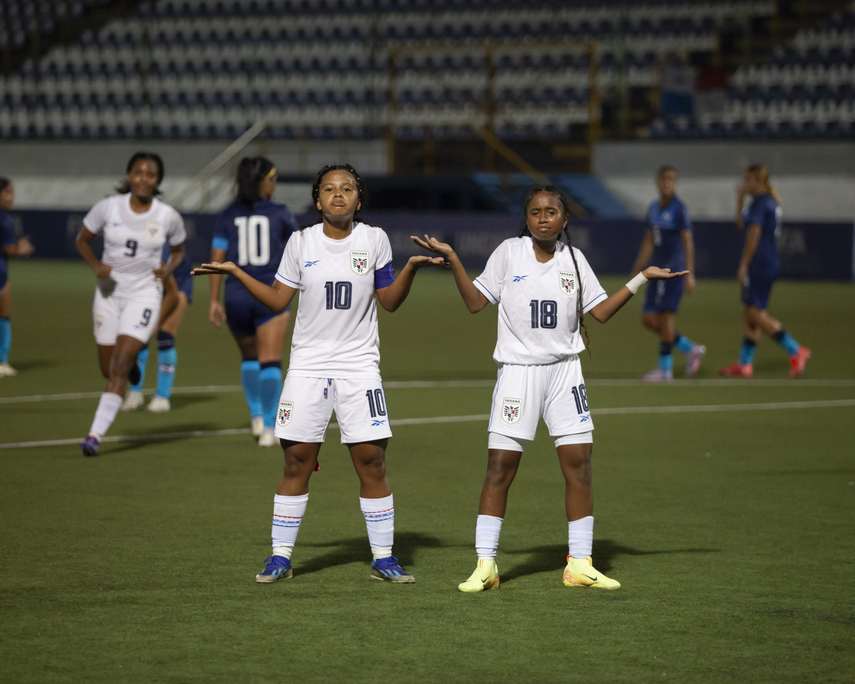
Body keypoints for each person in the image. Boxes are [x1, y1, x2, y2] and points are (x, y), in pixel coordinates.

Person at [412, 185, 686, 593]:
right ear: (526, 218)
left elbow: (602, 312)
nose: (543, 217)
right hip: (518, 374)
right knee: (500, 467)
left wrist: (641, 278)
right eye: (536, 212)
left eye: (551, 211)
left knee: (579, 465)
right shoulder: (508, 252)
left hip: (565, 375)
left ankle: (579, 564)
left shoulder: (574, 259)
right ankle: (486, 565)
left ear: (564, 219)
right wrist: (453, 259)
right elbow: (474, 303)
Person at [192, 164, 444, 584]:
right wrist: (237, 272)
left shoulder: (374, 239)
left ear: (358, 200)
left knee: (372, 462)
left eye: (347, 188)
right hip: (307, 368)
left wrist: (412, 269)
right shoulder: (300, 241)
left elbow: (390, 301)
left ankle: (383, 558)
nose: (338, 195)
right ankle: (280, 557)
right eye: (329, 189)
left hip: (359, 368)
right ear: (317, 200)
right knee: (296, 462)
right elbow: (276, 300)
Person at [75, 152, 186, 456]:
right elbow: (82, 240)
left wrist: (169, 268)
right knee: (107, 368)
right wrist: (96, 265)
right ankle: (132, 374)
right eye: (138, 172)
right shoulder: (107, 207)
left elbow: (178, 250)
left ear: (158, 181)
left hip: (144, 293)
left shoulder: (166, 215)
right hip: (109, 293)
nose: (143, 179)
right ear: (128, 175)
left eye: (150, 175)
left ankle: (94, 436)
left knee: (119, 366)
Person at [207, 157, 298, 446]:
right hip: (270, 294)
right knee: (270, 360)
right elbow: (299, 252)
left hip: (235, 296)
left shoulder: (228, 215)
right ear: (265, 182)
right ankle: (270, 428)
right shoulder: (281, 214)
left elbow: (216, 260)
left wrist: (213, 299)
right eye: (273, 179)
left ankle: (256, 416)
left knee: (249, 358)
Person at [719, 164, 810, 378]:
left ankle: (795, 350)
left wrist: (743, 264)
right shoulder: (767, 201)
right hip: (768, 261)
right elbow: (742, 225)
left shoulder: (761, 203)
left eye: (746, 180)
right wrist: (739, 199)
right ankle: (744, 364)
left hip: (759, 262)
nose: (743, 184)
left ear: (757, 181)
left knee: (754, 314)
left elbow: (753, 235)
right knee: (752, 314)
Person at [630, 166, 705, 382]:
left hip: (673, 271)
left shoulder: (679, 209)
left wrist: (690, 273)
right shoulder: (653, 208)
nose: (667, 183)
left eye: (672, 179)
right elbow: (648, 241)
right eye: (664, 179)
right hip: (656, 270)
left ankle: (665, 369)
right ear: (657, 181)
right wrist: (638, 268)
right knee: (648, 319)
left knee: (665, 316)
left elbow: (687, 241)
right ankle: (690, 348)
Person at [122, 244, 192, 413]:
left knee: (164, 335)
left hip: (178, 284)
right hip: (153, 289)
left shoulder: (154, 258)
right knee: (139, 336)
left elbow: (172, 294)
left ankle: (162, 397)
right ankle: (135, 393)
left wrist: (155, 322)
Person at [0, 177, 36, 377]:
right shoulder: (5, 219)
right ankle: (2, 362)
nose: (12, 197)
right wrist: (20, 249)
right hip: (1, 271)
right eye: (8, 193)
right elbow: (7, 249)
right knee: (3, 316)